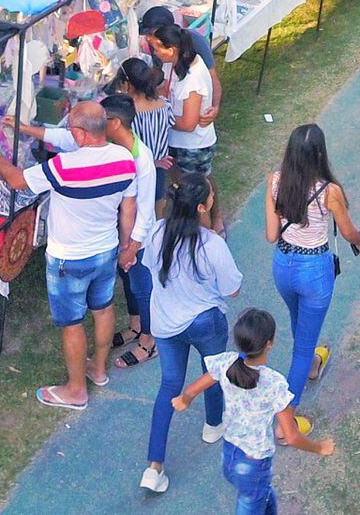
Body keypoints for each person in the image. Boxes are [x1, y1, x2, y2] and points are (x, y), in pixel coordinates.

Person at [0, 102, 140, 411]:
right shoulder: (124, 159)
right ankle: (99, 369)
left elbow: (16, 180)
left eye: (70, 130)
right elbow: (128, 208)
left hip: (68, 258)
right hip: (105, 249)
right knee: (104, 309)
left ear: (80, 133)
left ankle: (76, 390)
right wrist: (125, 245)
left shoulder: (64, 166)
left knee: (72, 323)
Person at [171, 309, 335, 513]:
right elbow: (291, 437)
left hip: (230, 456)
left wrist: (184, 399)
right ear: (269, 344)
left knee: (264, 497)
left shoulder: (225, 362)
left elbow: (194, 389)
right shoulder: (274, 384)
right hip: (254, 464)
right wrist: (320, 448)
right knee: (252, 499)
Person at [140, 174, 242, 495]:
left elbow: (149, 267)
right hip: (204, 322)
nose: (214, 198)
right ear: (202, 207)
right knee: (212, 372)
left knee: (169, 385)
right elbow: (234, 289)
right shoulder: (212, 245)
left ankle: (154, 467)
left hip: (166, 325)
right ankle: (213, 425)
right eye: (211, 195)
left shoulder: (157, 233)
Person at [263, 126, 360, 431]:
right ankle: (286, 423)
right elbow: (347, 231)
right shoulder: (329, 191)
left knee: (299, 322)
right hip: (314, 270)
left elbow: (271, 235)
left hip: (283, 264)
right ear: (319, 154)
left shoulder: (275, 181)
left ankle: (310, 366)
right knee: (303, 346)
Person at [111, 58, 175, 369]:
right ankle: (136, 323)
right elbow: (167, 137)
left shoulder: (128, 122)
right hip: (155, 177)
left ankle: (149, 339)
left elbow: (143, 210)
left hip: (139, 192)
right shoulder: (162, 104)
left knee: (139, 271)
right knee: (132, 269)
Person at [149, 23, 218, 179]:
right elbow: (166, 90)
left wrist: (161, 117)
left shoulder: (193, 80)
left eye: (157, 49)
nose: (154, 53)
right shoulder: (172, 63)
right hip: (177, 141)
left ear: (171, 50)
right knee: (178, 180)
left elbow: (188, 124)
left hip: (193, 147)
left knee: (196, 189)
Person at [141, 6, 224, 120]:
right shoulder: (156, 44)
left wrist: (215, 107)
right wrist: (145, 92)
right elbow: (159, 70)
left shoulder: (196, 41)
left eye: (150, 33)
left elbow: (212, 77)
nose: (147, 38)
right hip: (176, 100)